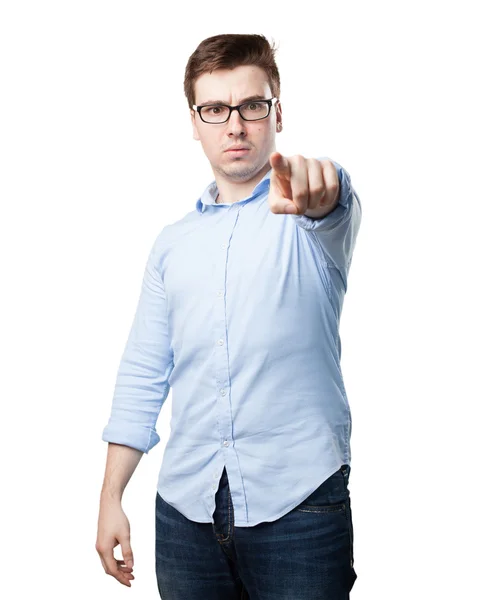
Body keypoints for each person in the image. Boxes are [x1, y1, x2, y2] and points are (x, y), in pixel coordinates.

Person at [96, 33, 362, 599]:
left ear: (277, 113)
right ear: (195, 122)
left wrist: (324, 189)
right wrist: (111, 498)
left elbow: (330, 194)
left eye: (251, 106)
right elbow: (144, 372)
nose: (234, 125)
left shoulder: (314, 222)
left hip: (300, 508)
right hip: (184, 514)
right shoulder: (172, 245)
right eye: (215, 109)